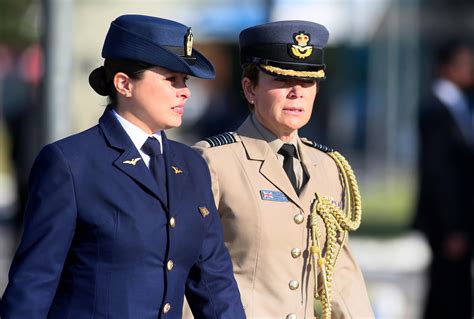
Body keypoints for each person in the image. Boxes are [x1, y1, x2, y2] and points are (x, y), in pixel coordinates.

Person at [0, 14, 245, 319]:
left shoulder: (191, 164)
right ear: (124, 84)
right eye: (171, 79)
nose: (185, 91)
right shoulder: (70, 163)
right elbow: (34, 284)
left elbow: (214, 284)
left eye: (185, 81)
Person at [193, 20, 373, 319]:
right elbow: (191, 266)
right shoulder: (214, 161)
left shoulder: (328, 167)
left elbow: (339, 273)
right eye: (282, 80)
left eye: (307, 82)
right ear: (250, 89)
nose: (297, 93)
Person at [414, 40, 473, 319]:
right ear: (447, 68)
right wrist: (452, 226)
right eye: (466, 64)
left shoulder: (459, 106)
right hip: (448, 223)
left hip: (458, 221)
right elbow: (439, 173)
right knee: (446, 290)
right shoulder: (436, 110)